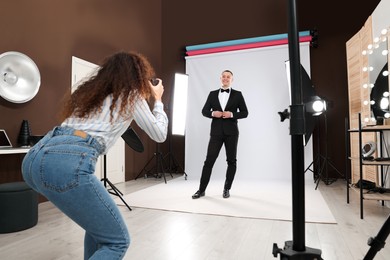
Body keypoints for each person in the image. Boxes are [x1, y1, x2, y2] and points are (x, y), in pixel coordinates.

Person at [22, 51, 168, 259]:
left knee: (98, 228)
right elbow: (159, 134)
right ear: (137, 75)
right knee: (117, 242)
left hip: (35, 157)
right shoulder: (131, 95)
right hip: (66, 162)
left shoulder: (91, 95)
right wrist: (158, 100)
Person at [192, 70, 248, 199]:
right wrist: (213, 113)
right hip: (216, 133)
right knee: (209, 161)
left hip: (232, 133)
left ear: (232, 79)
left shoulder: (238, 95)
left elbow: (245, 113)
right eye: (224, 76)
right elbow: (204, 111)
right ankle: (201, 190)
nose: (226, 78)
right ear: (220, 78)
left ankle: (227, 189)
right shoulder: (212, 94)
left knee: (231, 161)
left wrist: (232, 114)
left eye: (228, 77)